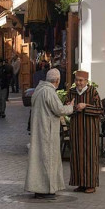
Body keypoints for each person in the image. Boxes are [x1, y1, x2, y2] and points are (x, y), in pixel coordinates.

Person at [25, 68, 74, 200]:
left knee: (39, 159)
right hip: (48, 131)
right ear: (57, 80)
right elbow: (59, 109)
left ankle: (38, 188)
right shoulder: (49, 91)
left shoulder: (39, 90)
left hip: (39, 130)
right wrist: (72, 107)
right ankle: (46, 189)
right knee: (48, 159)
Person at [66, 70, 102, 194]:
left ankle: (90, 184)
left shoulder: (93, 92)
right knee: (76, 156)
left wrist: (86, 106)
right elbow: (66, 107)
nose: (78, 83)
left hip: (90, 130)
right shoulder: (71, 92)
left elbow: (99, 110)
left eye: (81, 80)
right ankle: (80, 183)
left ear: (86, 81)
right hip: (76, 130)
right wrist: (75, 107)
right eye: (76, 80)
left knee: (90, 156)